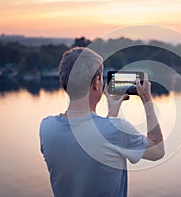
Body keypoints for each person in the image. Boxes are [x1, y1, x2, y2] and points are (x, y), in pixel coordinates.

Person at [40, 47, 164, 197]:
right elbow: (157, 151)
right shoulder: (115, 129)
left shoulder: (47, 128)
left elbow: (99, 144)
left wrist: (112, 114)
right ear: (96, 82)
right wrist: (147, 100)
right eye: (101, 78)